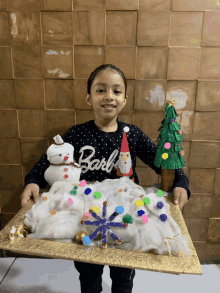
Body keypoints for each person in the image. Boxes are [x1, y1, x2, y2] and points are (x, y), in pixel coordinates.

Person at [20, 64, 191, 293]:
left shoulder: (133, 134)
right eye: (101, 90)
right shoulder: (77, 134)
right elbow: (48, 161)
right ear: (89, 97)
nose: (109, 96)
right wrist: (33, 180)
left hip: (126, 216)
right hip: (85, 215)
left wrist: (181, 182)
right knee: (89, 276)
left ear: (125, 99)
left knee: (123, 277)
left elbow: (163, 162)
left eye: (116, 91)